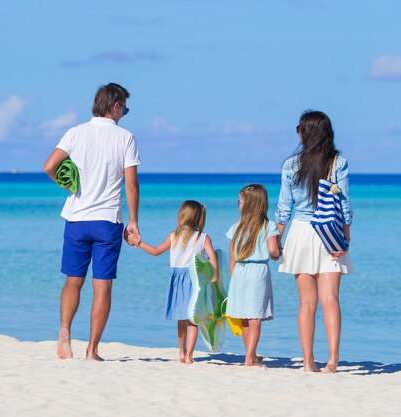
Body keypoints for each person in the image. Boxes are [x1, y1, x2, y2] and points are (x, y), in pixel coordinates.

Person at [43, 83, 141, 361]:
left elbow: (49, 166)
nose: (124, 113)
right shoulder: (125, 138)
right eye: (124, 107)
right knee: (102, 285)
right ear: (114, 105)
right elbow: (131, 184)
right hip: (107, 221)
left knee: (73, 280)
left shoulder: (75, 133)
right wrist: (133, 221)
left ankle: (64, 331)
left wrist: (66, 183)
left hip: (76, 218)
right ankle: (92, 350)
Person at [275, 110, 352, 373]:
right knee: (330, 299)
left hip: (300, 232)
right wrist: (346, 235)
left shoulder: (290, 165)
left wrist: (277, 237)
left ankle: (308, 362)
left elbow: (284, 208)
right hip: (329, 230)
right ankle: (332, 361)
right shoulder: (337, 162)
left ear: (304, 134)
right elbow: (343, 203)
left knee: (307, 303)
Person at [127, 200, 218, 364]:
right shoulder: (203, 237)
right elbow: (212, 256)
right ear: (199, 217)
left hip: (178, 281)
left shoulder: (173, 236)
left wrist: (138, 242)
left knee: (181, 320)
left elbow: (155, 252)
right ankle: (189, 356)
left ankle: (182, 353)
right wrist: (215, 275)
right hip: (195, 280)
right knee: (193, 320)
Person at [226, 184, 281, 367]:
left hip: (240, 272)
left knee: (244, 316)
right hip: (258, 272)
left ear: (248, 204)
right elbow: (273, 250)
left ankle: (251, 355)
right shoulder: (268, 226)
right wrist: (276, 254)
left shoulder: (237, 227)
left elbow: (232, 254)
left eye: (240, 202)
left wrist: (233, 276)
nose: (238, 205)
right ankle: (250, 358)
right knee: (255, 316)